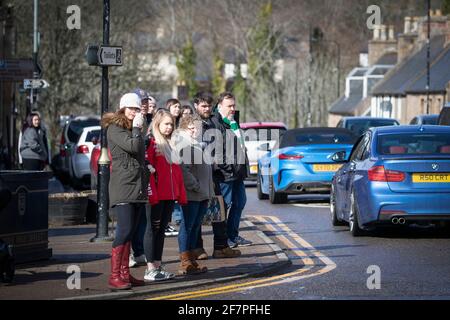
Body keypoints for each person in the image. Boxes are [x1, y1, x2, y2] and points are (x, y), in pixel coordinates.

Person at [102, 92, 148, 290]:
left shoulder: (132, 128)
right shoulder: (115, 128)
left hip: (136, 186)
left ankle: (124, 274)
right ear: (123, 108)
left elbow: (139, 152)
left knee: (131, 232)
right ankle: (114, 276)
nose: (134, 112)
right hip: (124, 185)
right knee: (124, 231)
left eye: (137, 109)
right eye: (131, 108)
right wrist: (138, 128)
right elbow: (133, 146)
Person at [192, 92, 241, 259]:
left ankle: (221, 247)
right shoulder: (194, 123)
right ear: (196, 106)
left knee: (220, 211)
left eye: (208, 105)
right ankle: (197, 249)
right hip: (198, 174)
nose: (206, 109)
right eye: (203, 106)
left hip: (216, 174)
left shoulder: (214, 120)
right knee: (197, 213)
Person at [144, 109, 187, 281]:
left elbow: (176, 172)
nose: (169, 127)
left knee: (161, 231)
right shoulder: (151, 142)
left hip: (169, 195)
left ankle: (157, 265)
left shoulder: (171, 144)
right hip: (155, 195)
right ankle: (149, 269)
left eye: (171, 124)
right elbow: (148, 169)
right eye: (166, 124)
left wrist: (179, 193)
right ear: (157, 124)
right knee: (151, 230)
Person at [210, 92, 252, 248]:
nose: (233, 108)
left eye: (234, 105)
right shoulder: (217, 122)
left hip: (237, 173)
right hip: (225, 174)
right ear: (220, 106)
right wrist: (226, 168)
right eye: (229, 106)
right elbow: (216, 150)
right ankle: (222, 241)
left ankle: (233, 236)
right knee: (224, 206)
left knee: (240, 202)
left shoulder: (233, 122)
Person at [174, 114, 212, 274]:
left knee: (195, 227)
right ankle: (185, 262)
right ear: (184, 129)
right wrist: (195, 186)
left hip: (202, 193)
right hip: (193, 194)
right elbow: (184, 170)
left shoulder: (196, 144)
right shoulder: (185, 145)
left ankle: (192, 260)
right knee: (187, 226)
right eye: (191, 128)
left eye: (197, 128)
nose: (195, 131)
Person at [128, 88, 157, 268]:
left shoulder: (150, 120)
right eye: (142, 102)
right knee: (133, 219)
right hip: (133, 175)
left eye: (147, 101)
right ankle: (133, 253)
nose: (145, 105)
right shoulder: (131, 122)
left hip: (149, 173)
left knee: (145, 217)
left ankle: (139, 252)